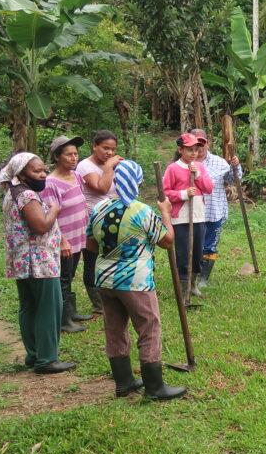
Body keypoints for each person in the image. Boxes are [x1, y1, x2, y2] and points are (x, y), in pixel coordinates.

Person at [86, 160, 186, 400]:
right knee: (148, 328)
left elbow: (90, 244)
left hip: (105, 279)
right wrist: (165, 213)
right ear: (138, 181)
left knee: (115, 328)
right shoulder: (142, 211)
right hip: (135, 281)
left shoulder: (99, 207)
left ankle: (124, 382)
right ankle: (154, 387)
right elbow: (167, 241)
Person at [0, 152, 76, 374]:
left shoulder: (11, 193)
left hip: (23, 261)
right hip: (38, 261)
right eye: (36, 171)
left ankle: (34, 354)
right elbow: (40, 226)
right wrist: (53, 210)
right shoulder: (26, 195)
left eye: (44, 169)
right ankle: (47, 359)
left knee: (30, 307)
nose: (43, 174)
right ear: (21, 174)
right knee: (48, 309)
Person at [42, 136, 92, 333]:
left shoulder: (76, 176)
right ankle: (63, 320)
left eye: (76, 154)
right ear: (57, 157)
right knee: (63, 278)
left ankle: (72, 313)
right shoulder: (50, 183)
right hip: (64, 240)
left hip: (78, 236)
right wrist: (62, 240)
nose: (74, 158)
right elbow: (50, 215)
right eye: (69, 155)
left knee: (69, 275)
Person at [161, 133, 213, 303]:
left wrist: (197, 174)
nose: (194, 153)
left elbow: (208, 188)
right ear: (180, 149)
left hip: (198, 215)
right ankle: (183, 290)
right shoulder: (173, 169)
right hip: (181, 218)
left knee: (198, 252)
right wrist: (183, 194)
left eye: (196, 150)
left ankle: (193, 285)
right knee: (184, 252)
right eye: (190, 149)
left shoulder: (199, 167)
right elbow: (165, 192)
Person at [189, 128, 241, 293]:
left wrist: (236, 167)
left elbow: (233, 180)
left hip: (213, 212)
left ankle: (203, 279)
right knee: (191, 246)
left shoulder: (219, 162)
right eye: (195, 143)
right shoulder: (182, 163)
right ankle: (190, 279)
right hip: (190, 213)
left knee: (209, 247)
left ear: (207, 143)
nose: (198, 147)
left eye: (201, 143)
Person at [76, 130, 122, 316]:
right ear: (94, 146)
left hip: (112, 219)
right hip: (91, 220)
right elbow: (102, 188)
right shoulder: (85, 166)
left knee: (111, 257)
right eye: (105, 148)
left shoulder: (111, 165)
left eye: (112, 149)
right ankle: (97, 303)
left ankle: (111, 295)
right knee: (92, 259)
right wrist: (110, 167)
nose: (109, 153)